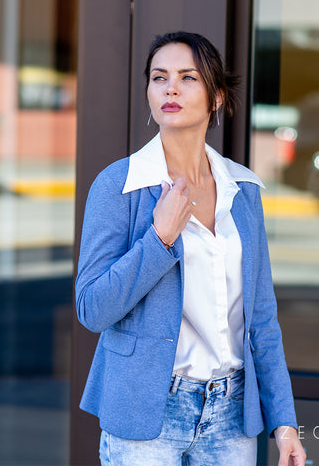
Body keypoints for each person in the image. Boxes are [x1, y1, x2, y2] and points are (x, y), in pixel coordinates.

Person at [75, 31, 306, 466]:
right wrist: (159, 239)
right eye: (159, 77)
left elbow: (261, 320)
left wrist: (285, 423)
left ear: (216, 96)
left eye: (188, 78)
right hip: (149, 412)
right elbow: (92, 309)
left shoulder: (244, 190)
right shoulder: (119, 186)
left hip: (232, 415)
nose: (171, 89)